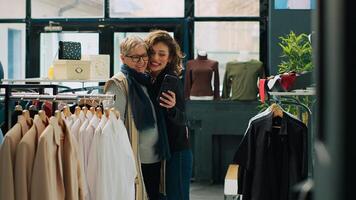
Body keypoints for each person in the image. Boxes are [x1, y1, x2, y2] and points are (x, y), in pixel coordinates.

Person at [104, 35, 170, 200]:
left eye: (144, 56)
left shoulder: (146, 81)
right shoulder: (118, 83)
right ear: (122, 58)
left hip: (154, 157)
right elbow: (114, 128)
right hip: (134, 160)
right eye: (135, 57)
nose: (141, 61)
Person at [145, 30, 193, 200]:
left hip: (177, 152)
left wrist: (172, 108)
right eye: (151, 52)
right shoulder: (149, 79)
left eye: (161, 54)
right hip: (163, 152)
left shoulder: (170, 79)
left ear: (170, 57)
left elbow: (183, 119)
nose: (155, 58)